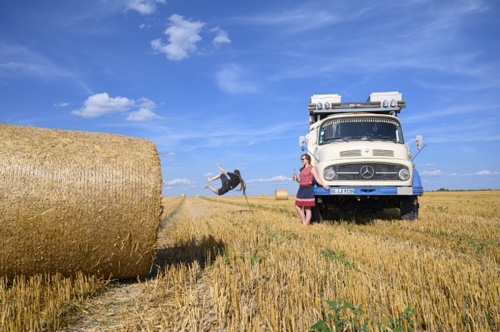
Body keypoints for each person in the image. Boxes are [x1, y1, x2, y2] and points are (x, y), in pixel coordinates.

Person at [293, 154, 329, 225]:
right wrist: (296, 178)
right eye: (301, 159)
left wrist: (324, 185)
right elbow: (300, 180)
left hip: (308, 189)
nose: (302, 160)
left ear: (308, 159)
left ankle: (305, 224)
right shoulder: (302, 169)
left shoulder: (312, 168)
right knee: (297, 206)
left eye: (303, 159)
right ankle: (304, 222)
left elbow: (317, 178)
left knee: (307, 208)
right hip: (301, 189)